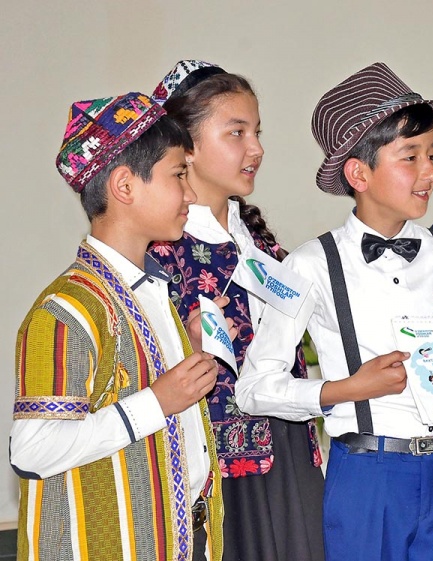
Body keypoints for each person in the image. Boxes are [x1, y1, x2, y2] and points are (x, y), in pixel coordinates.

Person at [236, 62, 433, 561]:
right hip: (368, 476)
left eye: (432, 154)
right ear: (358, 173)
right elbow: (254, 388)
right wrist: (345, 389)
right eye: (410, 157)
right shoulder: (309, 265)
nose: (430, 172)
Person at [11, 92, 224, 560]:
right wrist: (157, 402)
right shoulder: (67, 309)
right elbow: (32, 449)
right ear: (125, 186)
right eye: (178, 175)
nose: (190, 194)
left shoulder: (153, 293)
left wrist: (187, 353)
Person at [149, 60, 326, 561]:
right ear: (186, 143)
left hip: (289, 449)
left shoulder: (263, 246)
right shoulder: (159, 252)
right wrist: (183, 344)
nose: (256, 149)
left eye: (257, 132)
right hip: (215, 466)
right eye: (237, 132)